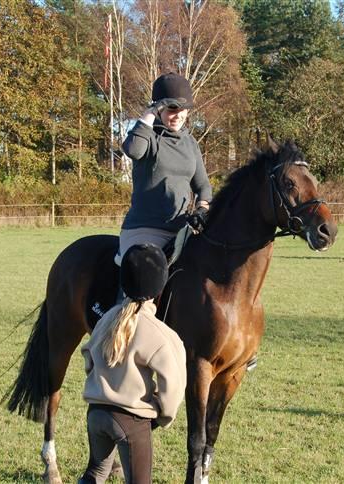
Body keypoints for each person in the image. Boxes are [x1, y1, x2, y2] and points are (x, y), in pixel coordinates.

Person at [79, 244, 187, 484]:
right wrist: (162, 415)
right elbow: (174, 384)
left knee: (95, 474)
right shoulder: (161, 334)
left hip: (96, 413)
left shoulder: (107, 318)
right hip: (131, 421)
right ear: (160, 284)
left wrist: (99, 386)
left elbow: (88, 354)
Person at [118, 72, 213, 264]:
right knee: (144, 281)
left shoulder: (190, 142)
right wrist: (149, 114)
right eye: (171, 109)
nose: (178, 115)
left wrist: (202, 208)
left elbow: (203, 185)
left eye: (183, 109)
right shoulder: (147, 137)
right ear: (158, 108)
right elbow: (133, 150)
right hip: (145, 229)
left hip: (182, 231)